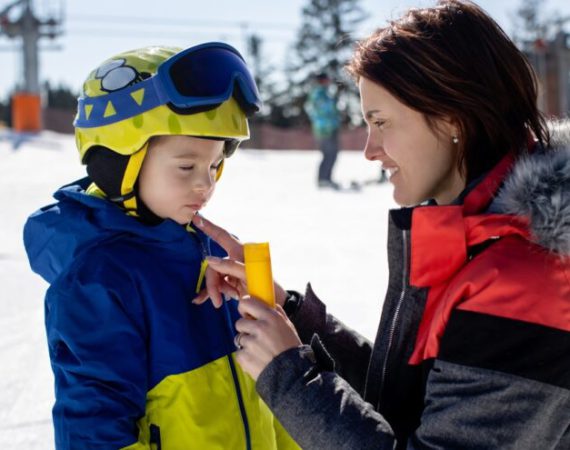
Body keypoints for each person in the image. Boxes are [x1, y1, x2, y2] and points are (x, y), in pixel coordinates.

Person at [191, 1, 570, 448]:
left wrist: (289, 373)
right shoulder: (475, 239)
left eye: (381, 122)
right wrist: (292, 311)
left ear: (452, 117)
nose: (370, 150)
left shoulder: (528, 279)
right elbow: (408, 397)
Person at [23, 43, 299, 449]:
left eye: (213, 166)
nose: (205, 184)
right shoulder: (100, 280)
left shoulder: (204, 252)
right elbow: (94, 428)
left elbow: (265, 398)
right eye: (186, 167)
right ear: (120, 162)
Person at [305, 72, 342, 189]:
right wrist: (334, 101)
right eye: (327, 79)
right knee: (328, 154)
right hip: (325, 130)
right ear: (323, 80)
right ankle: (323, 180)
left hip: (330, 128)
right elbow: (323, 110)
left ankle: (327, 179)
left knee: (332, 154)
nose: (329, 82)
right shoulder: (318, 94)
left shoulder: (325, 93)